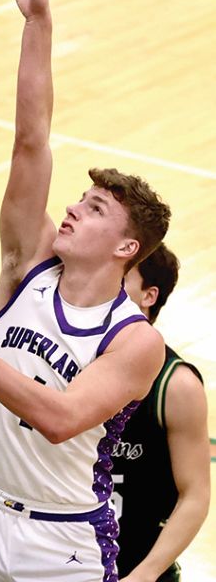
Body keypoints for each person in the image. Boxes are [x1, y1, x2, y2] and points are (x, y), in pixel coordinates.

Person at [0, 0, 172, 582]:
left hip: (60, 546)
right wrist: (36, 19)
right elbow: (30, 142)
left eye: (93, 209)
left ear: (125, 247)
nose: (71, 209)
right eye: (78, 199)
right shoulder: (24, 266)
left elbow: (59, 419)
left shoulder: (133, 340)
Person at [115, 244, 210, 582]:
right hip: (57, 561)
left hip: (135, 569)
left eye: (120, 278)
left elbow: (196, 494)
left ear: (149, 296)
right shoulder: (71, 360)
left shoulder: (176, 385)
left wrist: (145, 574)